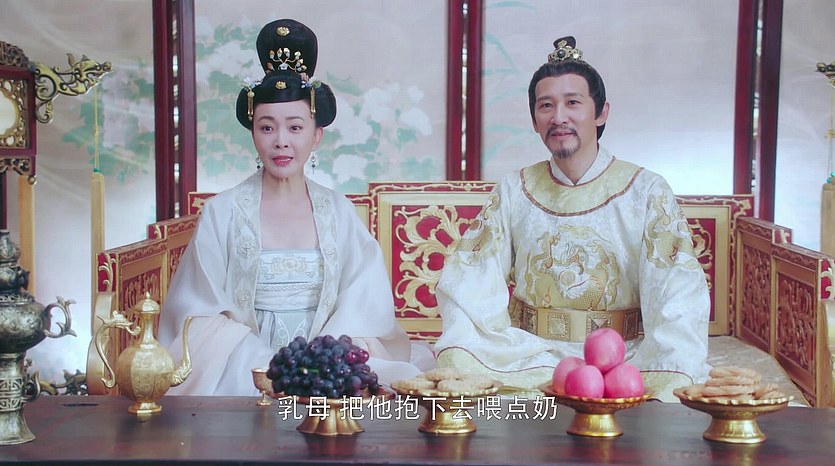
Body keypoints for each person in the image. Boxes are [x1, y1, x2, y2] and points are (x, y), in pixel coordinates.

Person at [159, 19, 434, 396]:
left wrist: (320, 360)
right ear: (253, 133)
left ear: (316, 135)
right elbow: (198, 310)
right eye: (267, 128)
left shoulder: (337, 211)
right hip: (242, 364)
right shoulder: (223, 212)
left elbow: (363, 301)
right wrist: (268, 364)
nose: (280, 142)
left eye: (295, 127)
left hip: (329, 357)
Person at [433, 36, 710, 401]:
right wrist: (474, 338)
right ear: (535, 120)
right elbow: (471, 275)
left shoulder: (645, 190)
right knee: (457, 358)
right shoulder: (515, 188)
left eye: (573, 103)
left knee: (671, 374)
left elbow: (676, 289)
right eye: (546, 105)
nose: (559, 117)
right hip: (530, 353)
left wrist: (667, 357)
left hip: (623, 357)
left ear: (601, 112)